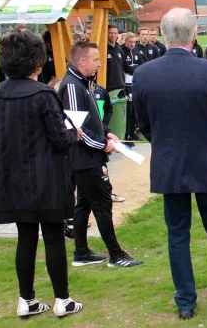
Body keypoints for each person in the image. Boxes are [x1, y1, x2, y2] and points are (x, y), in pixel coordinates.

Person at [133, 8, 207, 320]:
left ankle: (187, 302)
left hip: (171, 161)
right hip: (205, 159)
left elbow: (145, 125)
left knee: (178, 233)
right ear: (194, 35)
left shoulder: (145, 74)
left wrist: (167, 146)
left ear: (165, 36)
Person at [0, 31, 83, 318]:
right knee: (53, 237)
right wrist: (74, 133)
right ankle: (62, 300)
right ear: (38, 64)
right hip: (44, 177)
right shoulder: (42, 94)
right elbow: (60, 137)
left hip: (11, 177)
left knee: (26, 237)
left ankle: (27, 299)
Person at [58, 40, 143, 268]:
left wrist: (106, 133)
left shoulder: (84, 81)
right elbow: (76, 128)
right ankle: (116, 255)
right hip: (85, 158)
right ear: (82, 61)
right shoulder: (72, 86)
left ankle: (81, 252)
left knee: (84, 203)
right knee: (103, 204)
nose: (99, 65)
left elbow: (93, 117)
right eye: (95, 60)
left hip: (90, 155)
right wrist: (101, 144)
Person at [121, 33, 144, 142]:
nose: (132, 44)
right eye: (130, 42)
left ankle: (133, 132)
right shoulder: (122, 51)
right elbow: (126, 68)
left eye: (133, 42)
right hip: (126, 85)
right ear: (125, 42)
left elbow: (141, 65)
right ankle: (126, 134)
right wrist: (134, 68)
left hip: (135, 83)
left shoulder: (136, 52)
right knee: (128, 110)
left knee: (135, 109)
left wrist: (134, 68)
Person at [106, 24, 126, 92]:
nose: (113, 35)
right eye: (110, 33)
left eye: (115, 33)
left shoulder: (120, 50)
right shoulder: (103, 50)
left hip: (121, 87)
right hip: (108, 88)